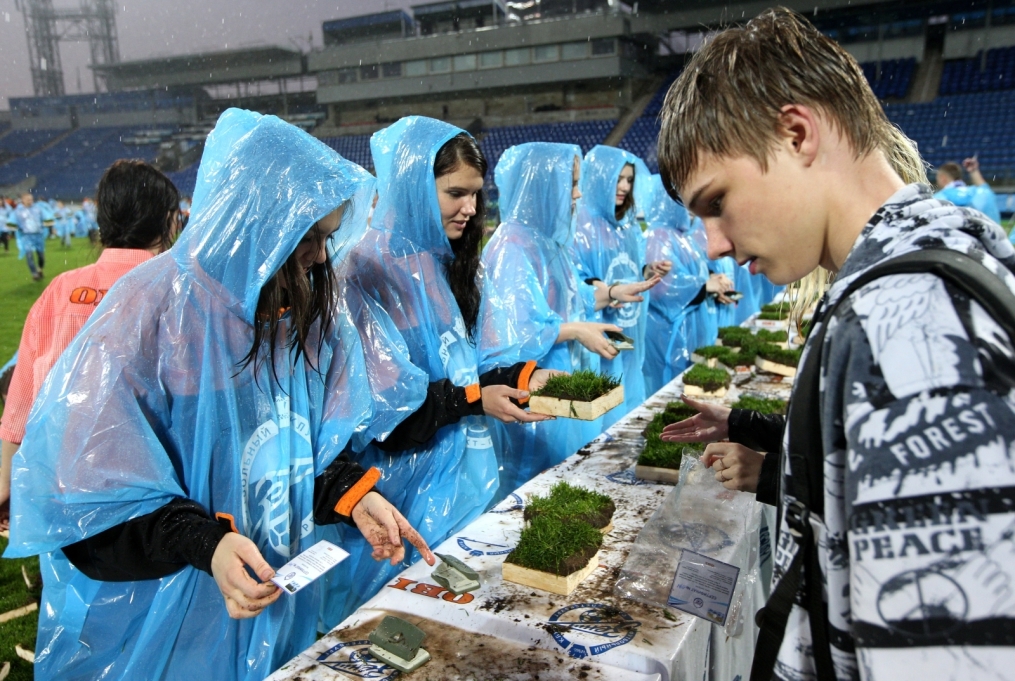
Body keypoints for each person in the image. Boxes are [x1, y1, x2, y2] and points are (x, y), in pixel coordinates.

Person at [5, 109, 435, 680]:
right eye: (307, 238)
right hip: (165, 637)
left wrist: (353, 495)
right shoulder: (148, 313)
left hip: (272, 621)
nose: (320, 258)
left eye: (328, 238)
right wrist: (203, 544)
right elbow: (90, 512)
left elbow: (288, 457)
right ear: (253, 219)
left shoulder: (293, 314)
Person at [657, 8, 1015, 680]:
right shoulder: (917, 270)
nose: (714, 244)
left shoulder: (904, 319)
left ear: (795, 134)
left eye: (716, 201)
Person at [321, 116, 555, 627]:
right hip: (399, 507)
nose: (471, 209)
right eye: (455, 193)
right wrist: (474, 399)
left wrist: (522, 377)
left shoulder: (442, 261)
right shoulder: (362, 271)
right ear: (412, 185)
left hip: (461, 489)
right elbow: (384, 417)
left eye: (475, 194)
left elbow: (468, 361)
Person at [0, 160, 182, 533]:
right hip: (155, 490)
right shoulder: (178, 286)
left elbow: (20, 402)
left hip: (64, 484)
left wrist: (6, 479)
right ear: (168, 220)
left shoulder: (60, 289)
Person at [479, 142, 658, 495]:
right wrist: (576, 330)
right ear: (545, 186)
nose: (579, 194)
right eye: (571, 183)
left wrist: (612, 292)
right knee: (537, 496)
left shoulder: (549, 243)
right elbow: (515, 335)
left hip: (564, 393)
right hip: (538, 405)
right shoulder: (512, 246)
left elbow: (572, 298)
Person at [571, 145, 664, 426]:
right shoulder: (580, 224)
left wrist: (647, 271)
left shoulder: (627, 226)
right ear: (600, 178)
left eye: (629, 180)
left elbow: (629, 269)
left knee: (629, 411)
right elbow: (571, 281)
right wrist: (597, 286)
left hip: (628, 333)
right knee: (603, 416)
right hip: (598, 338)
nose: (624, 186)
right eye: (618, 178)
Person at [641, 174, 721, 395]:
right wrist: (704, 286)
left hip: (690, 330)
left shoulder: (681, 235)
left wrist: (710, 281)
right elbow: (660, 290)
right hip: (669, 335)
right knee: (670, 395)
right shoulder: (658, 236)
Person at [934, 157, 1002, 224]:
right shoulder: (983, 193)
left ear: (942, 178)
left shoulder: (938, 198)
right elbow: (984, 187)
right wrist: (974, 171)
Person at [9, 192, 46, 280]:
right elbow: (12, 223)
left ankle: (40, 269)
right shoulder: (18, 212)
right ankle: (34, 274)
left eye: (31, 199)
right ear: (23, 200)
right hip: (26, 236)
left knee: (41, 256)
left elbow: (45, 219)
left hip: (38, 235)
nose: (30, 201)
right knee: (29, 255)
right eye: (28, 199)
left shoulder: (38, 209)